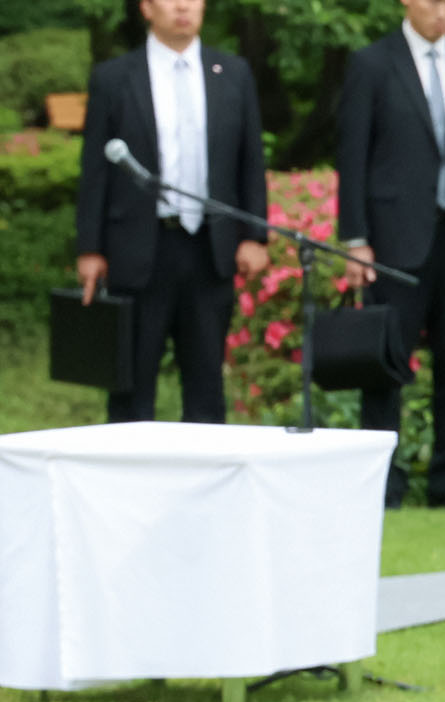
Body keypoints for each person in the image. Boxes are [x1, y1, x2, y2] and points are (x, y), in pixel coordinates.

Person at [338, 0, 445, 509]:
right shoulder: (372, 63)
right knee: (387, 365)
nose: (444, 11)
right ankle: (384, 481)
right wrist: (355, 238)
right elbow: (352, 154)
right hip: (394, 241)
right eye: (435, 1)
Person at [71, 0, 267, 424]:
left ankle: (202, 483)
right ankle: (128, 483)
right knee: (131, 384)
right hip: (138, 248)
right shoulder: (115, 77)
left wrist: (254, 236)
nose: (183, 6)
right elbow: (94, 170)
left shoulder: (232, 73)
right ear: (146, 7)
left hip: (209, 249)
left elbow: (250, 159)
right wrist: (90, 247)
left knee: (206, 384)